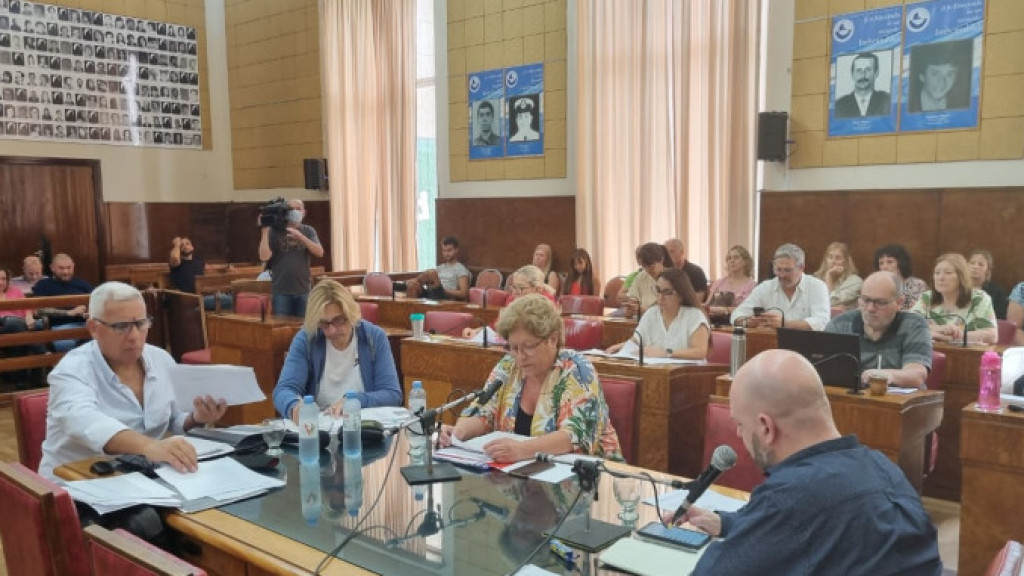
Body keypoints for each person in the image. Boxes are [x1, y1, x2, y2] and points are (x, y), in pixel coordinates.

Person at [678, 349, 943, 575]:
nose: (738, 433)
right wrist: (729, 524)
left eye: (740, 424)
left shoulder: (790, 497)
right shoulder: (882, 467)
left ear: (766, 427)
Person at [39, 282, 228, 481]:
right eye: (121, 326)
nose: (134, 336)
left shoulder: (161, 359)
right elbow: (87, 423)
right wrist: (150, 446)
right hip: (76, 482)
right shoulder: (70, 371)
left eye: (140, 323)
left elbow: (175, 418)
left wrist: (197, 418)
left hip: (141, 475)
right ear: (94, 328)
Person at [438, 294, 621, 462]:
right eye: (513, 347)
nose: (520, 356)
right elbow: (484, 412)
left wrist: (523, 450)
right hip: (525, 473)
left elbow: (574, 436)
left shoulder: (577, 369)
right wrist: (457, 433)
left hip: (593, 477)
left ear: (552, 339)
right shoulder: (508, 365)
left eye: (528, 347)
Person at [273, 279, 402, 421]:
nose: (332, 330)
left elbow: (392, 394)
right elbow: (283, 390)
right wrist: (294, 406)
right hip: (320, 426)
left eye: (339, 320)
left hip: (362, 425)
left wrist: (355, 401)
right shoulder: (307, 339)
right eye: (324, 323)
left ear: (351, 314)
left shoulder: (374, 338)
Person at [826, 271, 932, 389]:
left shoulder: (914, 325)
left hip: (898, 398)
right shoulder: (840, 324)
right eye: (865, 300)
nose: (870, 308)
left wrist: (885, 376)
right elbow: (820, 369)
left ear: (899, 302)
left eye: (880, 302)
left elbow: (916, 375)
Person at [606, 268, 709, 359]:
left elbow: (699, 352)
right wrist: (619, 347)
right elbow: (636, 341)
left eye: (667, 292)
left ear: (681, 295)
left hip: (687, 372)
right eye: (658, 290)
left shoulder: (695, 316)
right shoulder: (651, 313)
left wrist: (666, 353)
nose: (660, 297)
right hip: (656, 369)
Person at [730, 243, 830, 331]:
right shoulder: (765, 288)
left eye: (787, 270)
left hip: (806, 343)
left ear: (801, 268)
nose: (782, 275)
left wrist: (784, 324)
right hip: (771, 343)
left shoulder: (817, 287)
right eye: (778, 269)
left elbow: (822, 322)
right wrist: (748, 322)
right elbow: (736, 315)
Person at [257, 198, 324, 317]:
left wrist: (302, 238)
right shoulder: (274, 231)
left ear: (304, 212)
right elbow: (264, 257)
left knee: (305, 325)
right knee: (281, 325)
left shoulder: (308, 230)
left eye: (298, 209)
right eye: (291, 209)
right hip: (281, 291)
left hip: (303, 289)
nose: (295, 211)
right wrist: (265, 231)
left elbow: (319, 252)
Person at [911, 253, 997, 345]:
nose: (940, 277)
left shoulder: (979, 299)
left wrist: (952, 337)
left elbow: (991, 336)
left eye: (948, 273)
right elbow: (909, 324)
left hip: (966, 353)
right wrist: (940, 329)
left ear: (961, 277)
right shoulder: (927, 297)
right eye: (937, 273)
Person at [32, 252, 92, 352]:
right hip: (60, 326)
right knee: (65, 343)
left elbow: (95, 302)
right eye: (61, 268)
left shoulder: (82, 283)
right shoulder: (43, 285)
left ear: (73, 267)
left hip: (86, 324)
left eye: (69, 268)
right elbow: (38, 310)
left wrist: (89, 312)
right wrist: (68, 313)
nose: (66, 272)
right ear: (52, 268)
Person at [169, 236, 233, 310]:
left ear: (192, 247)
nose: (185, 246)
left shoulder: (197, 260)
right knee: (233, 300)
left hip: (203, 297)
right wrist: (176, 245)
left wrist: (226, 267)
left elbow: (210, 267)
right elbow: (175, 258)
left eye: (187, 243)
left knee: (234, 297)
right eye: (182, 245)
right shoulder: (177, 263)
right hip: (190, 300)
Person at [405, 235, 471, 300]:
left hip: (445, 296)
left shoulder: (461, 269)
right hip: (431, 292)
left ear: (456, 250)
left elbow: (463, 293)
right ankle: (409, 285)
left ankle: (406, 284)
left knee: (431, 273)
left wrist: (444, 290)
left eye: (449, 250)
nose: (446, 253)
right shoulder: (440, 267)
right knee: (413, 286)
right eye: (444, 250)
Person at [704, 245, 756, 324]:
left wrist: (724, 310)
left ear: (745, 261)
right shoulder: (719, 282)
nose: (732, 261)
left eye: (736, 258)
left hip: (737, 323)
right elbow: (707, 305)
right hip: (714, 322)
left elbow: (747, 309)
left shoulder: (751, 285)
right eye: (729, 258)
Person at [911, 42, 968, 112]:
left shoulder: (961, 104)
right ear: (922, 76)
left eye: (949, 74)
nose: (942, 83)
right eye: (935, 74)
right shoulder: (910, 104)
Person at [834, 52, 892, 118]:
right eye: (859, 70)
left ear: (876, 73)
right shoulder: (839, 105)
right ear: (852, 74)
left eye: (868, 70)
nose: (863, 75)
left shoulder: (887, 101)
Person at [624, 242, 673, 318]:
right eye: (644, 266)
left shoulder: (674, 278)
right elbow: (633, 299)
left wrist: (642, 310)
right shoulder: (641, 276)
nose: (647, 270)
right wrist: (630, 309)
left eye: (651, 266)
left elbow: (671, 311)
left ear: (661, 260)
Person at [874, 244, 929, 311]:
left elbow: (919, 311)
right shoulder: (876, 285)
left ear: (901, 263)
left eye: (890, 262)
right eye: (881, 263)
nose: (884, 267)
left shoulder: (918, 284)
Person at [813, 241, 863, 311]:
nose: (833, 261)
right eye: (830, 257)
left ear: (846, 262)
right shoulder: (815, 279)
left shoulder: (855, 282)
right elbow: (807, 305)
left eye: (838, 258)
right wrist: (832, 309)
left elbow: (832, 302)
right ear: (825, 260)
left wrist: (829, 277)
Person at [967, 249, 1008, 320]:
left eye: (981, 265)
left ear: (988, 270)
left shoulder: (997, 292)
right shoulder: (957, 288)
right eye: (972, 263)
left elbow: (999, 318)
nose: (975, 267)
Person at [664, 238, 708, 302]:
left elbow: (697, 300)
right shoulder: (665, 272)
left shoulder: (696, 272)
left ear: (681, 252)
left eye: (672, 251)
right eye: (666, 252)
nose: (668, 255)